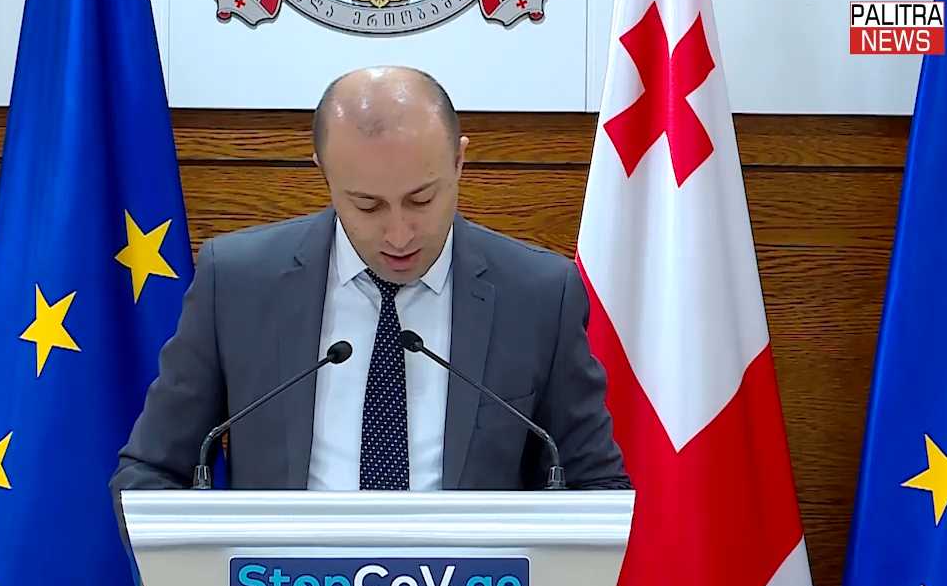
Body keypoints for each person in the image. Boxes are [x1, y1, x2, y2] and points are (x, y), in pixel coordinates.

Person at [110, 65, 629, 499]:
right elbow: (149, 473)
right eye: (367, 205)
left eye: (422, 199)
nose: (399, 234)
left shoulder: (538, 294)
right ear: (324, 173)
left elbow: (595, 486)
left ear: (459, 161)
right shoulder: (238, 283)